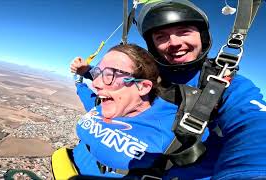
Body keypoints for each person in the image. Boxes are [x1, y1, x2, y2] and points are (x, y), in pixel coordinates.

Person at [70, 0, 266, 179]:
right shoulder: (145, 73)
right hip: (72, 161)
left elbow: (253, 125)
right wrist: (85, 74)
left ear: (202, 36)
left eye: (183, 31)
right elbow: (116, 79)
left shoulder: (226, 85)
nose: (174, 42)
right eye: (161, 36)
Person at [54, 43, 178, 179]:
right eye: (98, 74)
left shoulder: (170, 133)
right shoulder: (104, 106)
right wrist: (80, 79)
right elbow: (87, 97)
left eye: (111, 74)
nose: (95, 84)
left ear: (142, 87)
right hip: (65, 167)